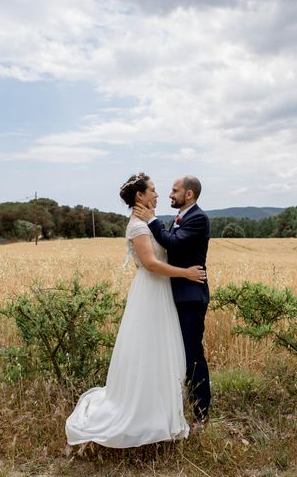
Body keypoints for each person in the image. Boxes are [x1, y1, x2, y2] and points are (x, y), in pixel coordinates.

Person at [65, 173, 206, 448]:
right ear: (139, 196)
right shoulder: (138, 227)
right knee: (149, 350)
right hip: (152, 291)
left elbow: (168, 243)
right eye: (152, 190)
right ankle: (144, 415)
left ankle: (164, 411)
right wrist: (185, 273)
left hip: (162, 292)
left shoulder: (150, 223)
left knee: (165, 350)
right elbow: (151, 264)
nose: (158, 194)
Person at [133, 175, 211, 427]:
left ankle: (201, 414)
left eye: (175, 190)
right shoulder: (179, 218)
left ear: (189, 194)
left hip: (190, 296)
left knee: (192, 355)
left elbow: (174, 243)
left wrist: (152, 221)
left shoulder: (198, 218)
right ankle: (173, 405)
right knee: (174, 353)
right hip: (171, 295)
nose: (169, 194)